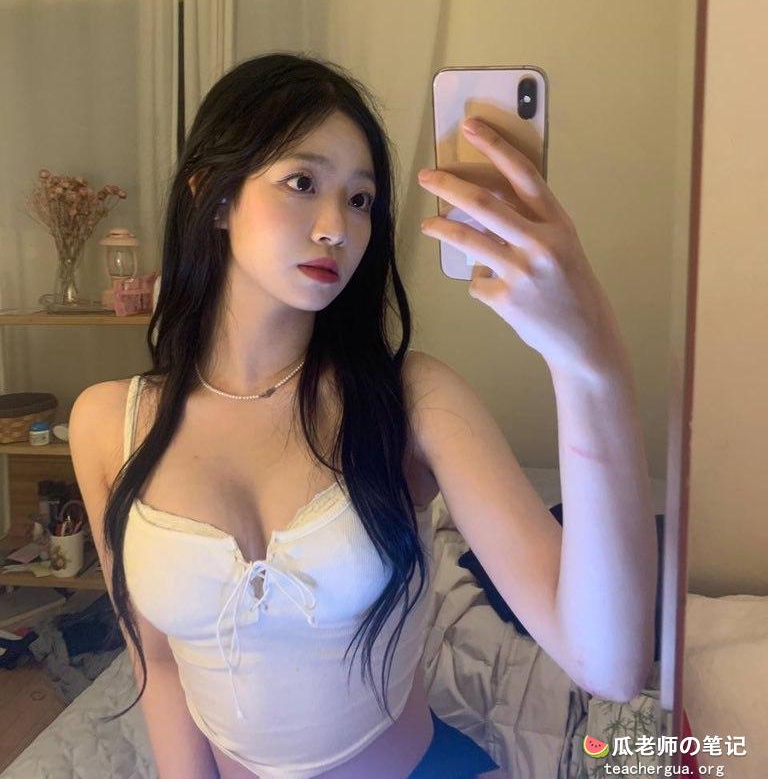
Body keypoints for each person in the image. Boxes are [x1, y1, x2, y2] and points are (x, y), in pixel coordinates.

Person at [69, 52, 658, 779]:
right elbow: (156, 659)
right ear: (214, 198)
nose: (335, 228)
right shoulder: (109, 424)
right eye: (302, 182)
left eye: (359, 200)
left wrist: (590, 364)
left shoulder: (415, 400)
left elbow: (610, 665)